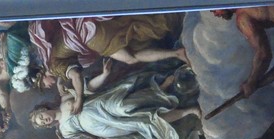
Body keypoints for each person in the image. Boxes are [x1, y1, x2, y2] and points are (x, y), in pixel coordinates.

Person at [28, 61, 204, 139]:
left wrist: (104, 75)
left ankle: (159, 90)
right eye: (42, 123)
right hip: (105, 126)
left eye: (41, 117)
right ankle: (188, 111)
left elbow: (88, 88)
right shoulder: (64, 131)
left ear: (43, 109)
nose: (45, 120)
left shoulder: (64, 98)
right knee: (143, 122)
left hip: (100, 105)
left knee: (125, 106)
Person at [28, 15, 186, 110]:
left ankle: (178, 53)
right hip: (86, 29)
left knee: (130, 58)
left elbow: (75, 75)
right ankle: (176, 52)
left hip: (91, 38)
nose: (48, 86)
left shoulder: (53, 66)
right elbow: (65, 66)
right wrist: (60, 82)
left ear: (41, 75)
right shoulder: (50, 58)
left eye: (43, 84)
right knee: (131, 43)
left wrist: (79, 99)